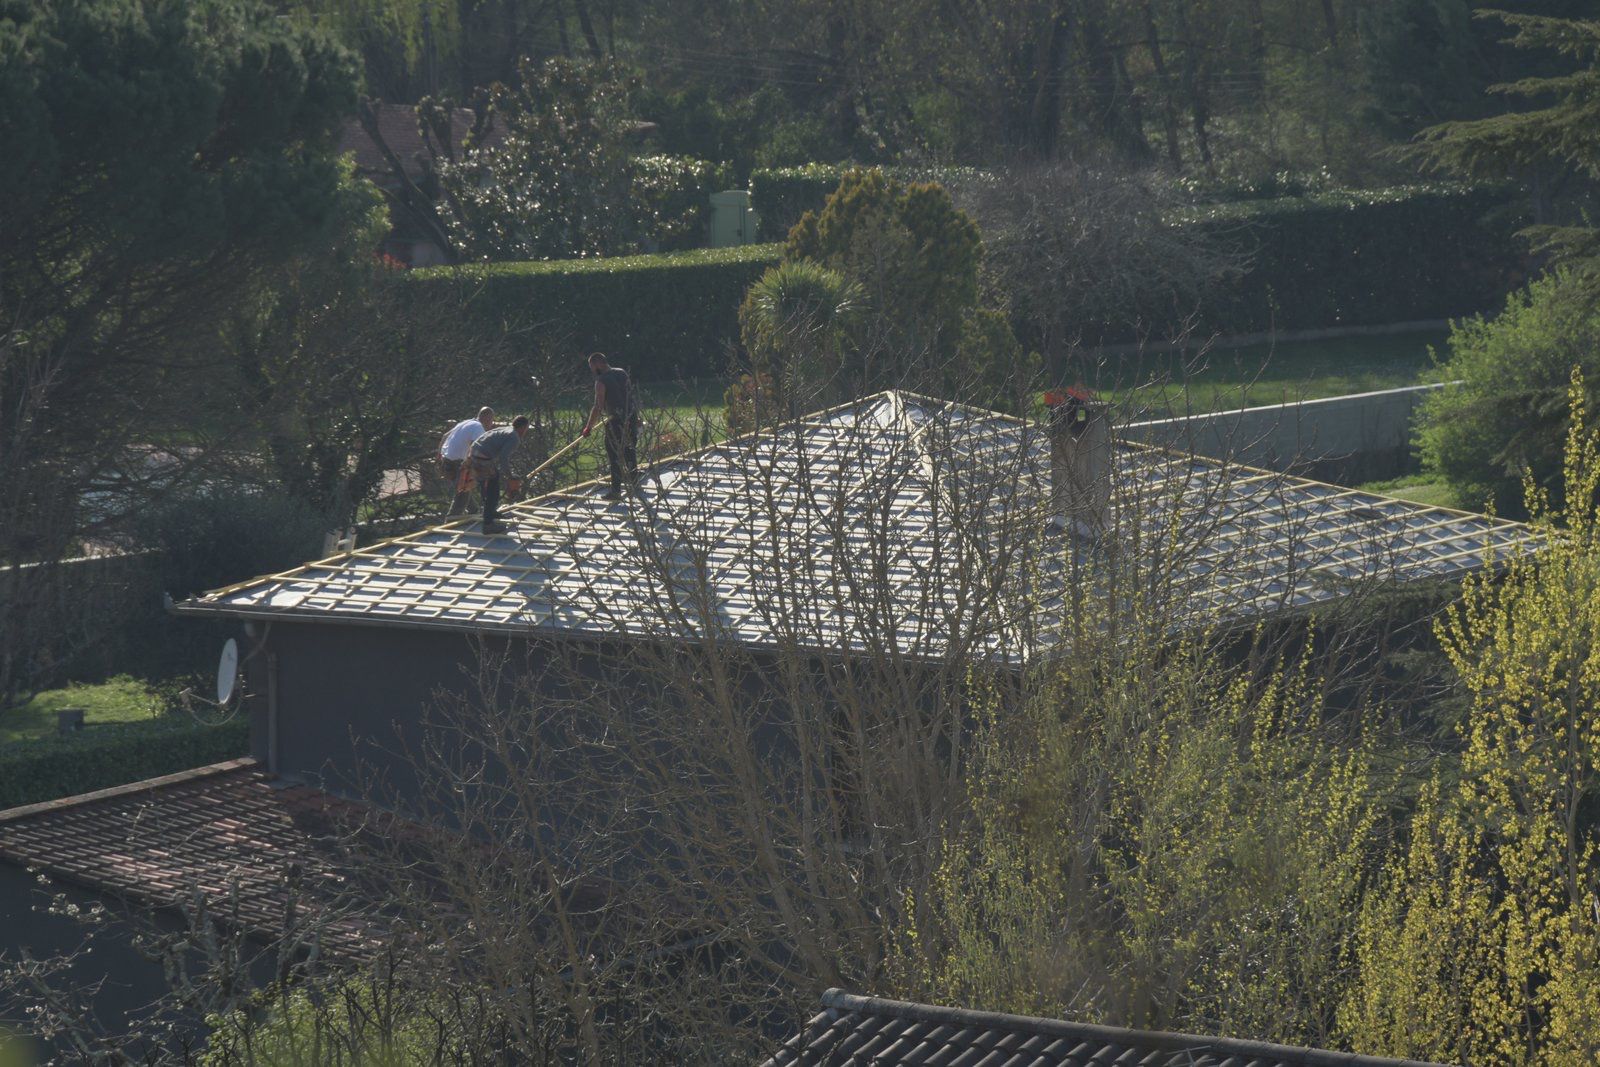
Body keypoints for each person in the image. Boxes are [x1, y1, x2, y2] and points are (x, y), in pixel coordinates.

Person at [580, 353, 639, 501]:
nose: (592, 370)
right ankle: (635, 483)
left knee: (615, 456)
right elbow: (630, 397)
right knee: (630, 451)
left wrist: (588, 427)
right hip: (630, 417)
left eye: (592, 367)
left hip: (616, 421)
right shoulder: (622, 373)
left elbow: (598, 406)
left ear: (598, 363)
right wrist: (637, 417)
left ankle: (616, 491)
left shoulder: (601, 381)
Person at [467, 416, 528, 534]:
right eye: (526, 428)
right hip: (482, 456)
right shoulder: (514, 437)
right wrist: (510, 476)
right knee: (493, 489)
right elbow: (504, 457)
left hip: (474, 452)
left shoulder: (507, 429)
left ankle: (491, 513)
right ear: (523, 427)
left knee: (491, 482)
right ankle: (488, 524)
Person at [440, 407, 494, 515]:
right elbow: (475, 448)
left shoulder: (466, 422)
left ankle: (474, 511)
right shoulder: (479, 428)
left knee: (464, 488)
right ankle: (451, 521)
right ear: (487, 419)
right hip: (459, 462)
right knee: (463, 491)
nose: (491, 425)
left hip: (446, 460)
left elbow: (444, 436)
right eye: (491, 421)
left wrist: (438, 457)